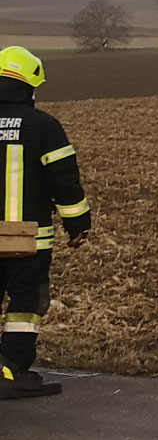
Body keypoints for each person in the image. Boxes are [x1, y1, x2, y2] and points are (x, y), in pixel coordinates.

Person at [0, 46, 91, 400]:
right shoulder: (44, 127)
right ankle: (12, 370)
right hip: (26, 237)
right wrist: (77, 225)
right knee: (25, 303)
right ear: (28, 85)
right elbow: (64, 182)